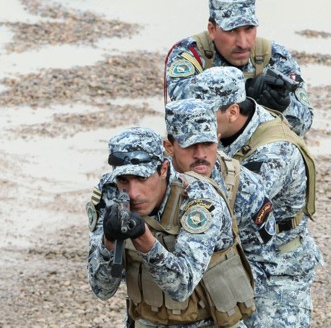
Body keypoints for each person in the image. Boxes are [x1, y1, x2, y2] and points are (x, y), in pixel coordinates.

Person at [188, 66, 325, 328]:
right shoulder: (223, 130)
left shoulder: (274, 152)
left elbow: (227, 207)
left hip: (278, 268)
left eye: (206, 116)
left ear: (233, 112)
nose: (198, 125)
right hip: (236, 260)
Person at [86, 126, 255, 328]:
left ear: (164, 169)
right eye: (123, 180)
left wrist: (144, 238)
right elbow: (102, 289)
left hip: (209, 322)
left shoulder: (198, 198)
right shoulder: (110, 194)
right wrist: (109, 242)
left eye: (141, 178)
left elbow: (182, 287)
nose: (132, 193)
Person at [163, 98, 277, 327]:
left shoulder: (242, 185)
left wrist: (230, 296)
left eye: (207, 143)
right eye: (189, 145)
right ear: (169, 146)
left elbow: (265, 255)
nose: (200, 154)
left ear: (217, 138)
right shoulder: (151, 183)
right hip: (164, 311)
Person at [164, 0, 314, 137]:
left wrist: (284, 105)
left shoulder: (275, 56)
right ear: (212, 30)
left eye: (249, 29)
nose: (243, 43)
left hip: (260, 147)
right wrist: (246, 91)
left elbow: (304, 125)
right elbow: (185, 113)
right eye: (231, 31)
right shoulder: (190, 55)